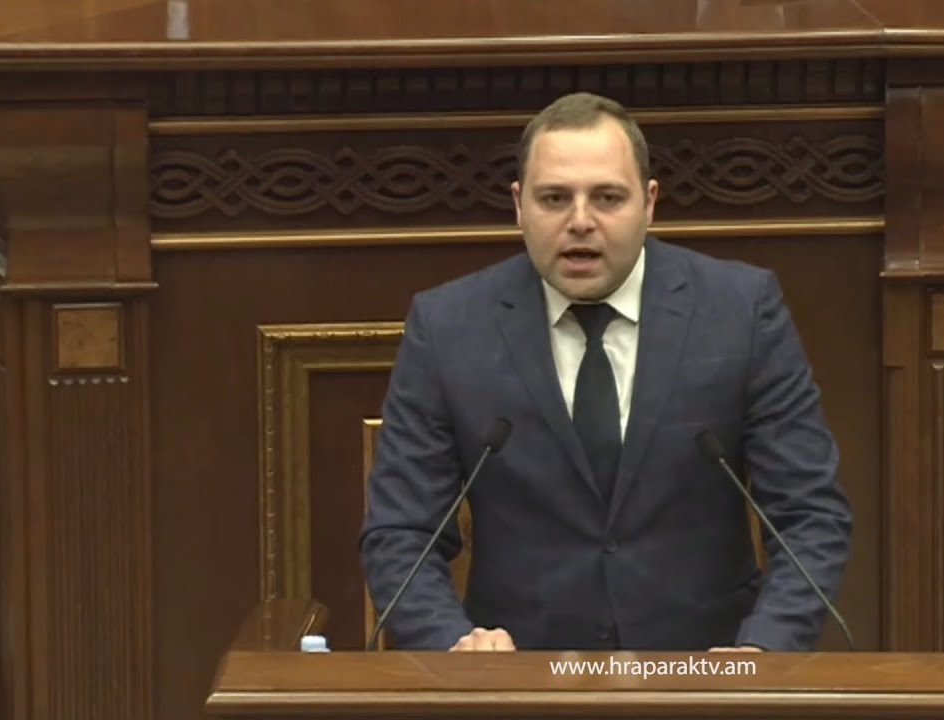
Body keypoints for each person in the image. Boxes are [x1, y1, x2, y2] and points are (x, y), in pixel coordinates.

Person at [359, 92, 853, 652]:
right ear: (519, 205)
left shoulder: (740, 311)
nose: (580, 222)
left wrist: (764, 649)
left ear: (649, 203)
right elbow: (401, 532)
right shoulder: (449, 326)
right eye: (554, 198)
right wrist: (453, 644)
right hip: (520, 674)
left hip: (703, 673)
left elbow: (810, 514)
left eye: (607, 198)